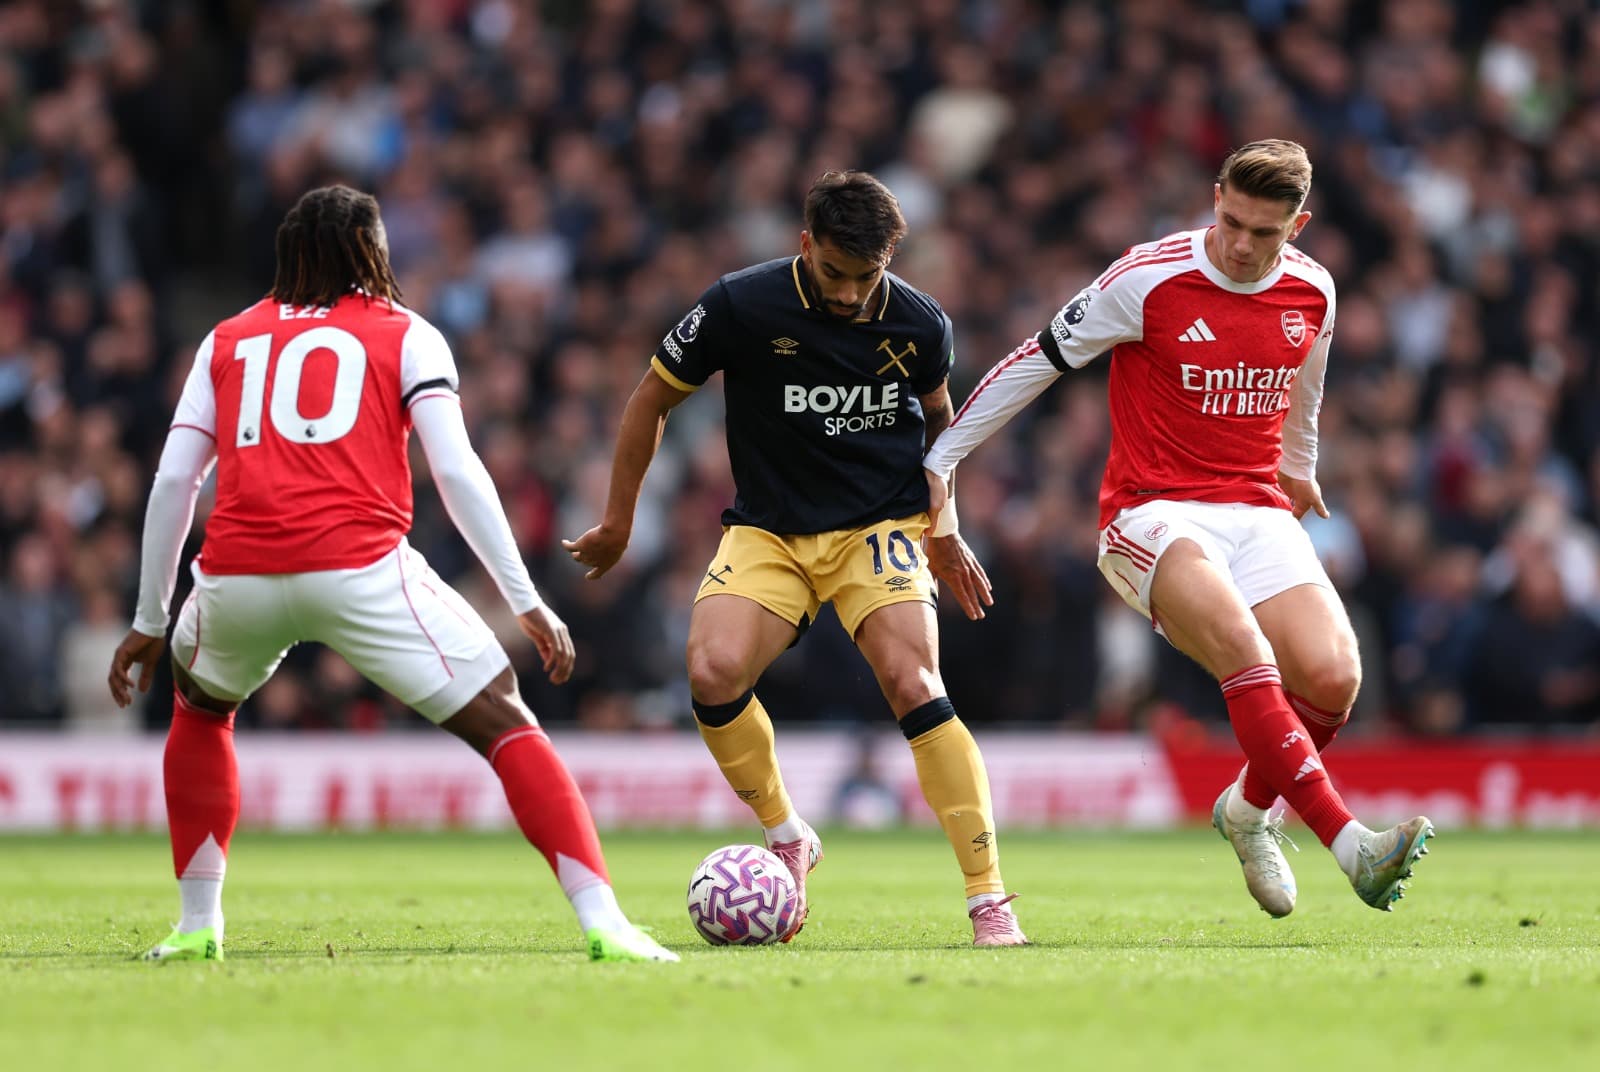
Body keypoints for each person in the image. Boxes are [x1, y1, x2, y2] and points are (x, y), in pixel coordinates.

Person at [107, 185, 677, 964]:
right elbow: (457, 469)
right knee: (508, 725)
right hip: (360, 570)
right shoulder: (408, 334)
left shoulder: (225, 338)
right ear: (372, 253)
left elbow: (175, 483)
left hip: (236, 575)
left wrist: (148, 619)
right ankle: (604, 922)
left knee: (202, 713)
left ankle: (198, 923)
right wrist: (526, 600)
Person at [922, 140, 1434, 917]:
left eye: (1263, 233)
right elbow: (1037, 359)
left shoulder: (1313, 292)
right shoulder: (1147, 278)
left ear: (1297, 226)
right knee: (1245, 648)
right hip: (1150, 512)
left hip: (1257, 508)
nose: (1240, 244)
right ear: (1216, 194)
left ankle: (1247, 812)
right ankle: (1352, 845)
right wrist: (943, 459)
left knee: (1334, 679)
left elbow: (1306, 389)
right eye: (1230, 220)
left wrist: (1301, 467)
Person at [563, 170, 1027, 946]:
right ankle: (786, 832)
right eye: (835, 274)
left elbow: (944, 429)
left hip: (878, 526)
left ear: (890, 258)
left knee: (913, 681)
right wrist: (618, 520)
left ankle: (988, 898)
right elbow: (650, 396)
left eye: (866, 276)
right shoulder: (740, 305)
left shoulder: (920, 323)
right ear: (804, 244)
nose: (849, 295)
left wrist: (945, 524)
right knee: (712, 674)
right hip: (771, 530)